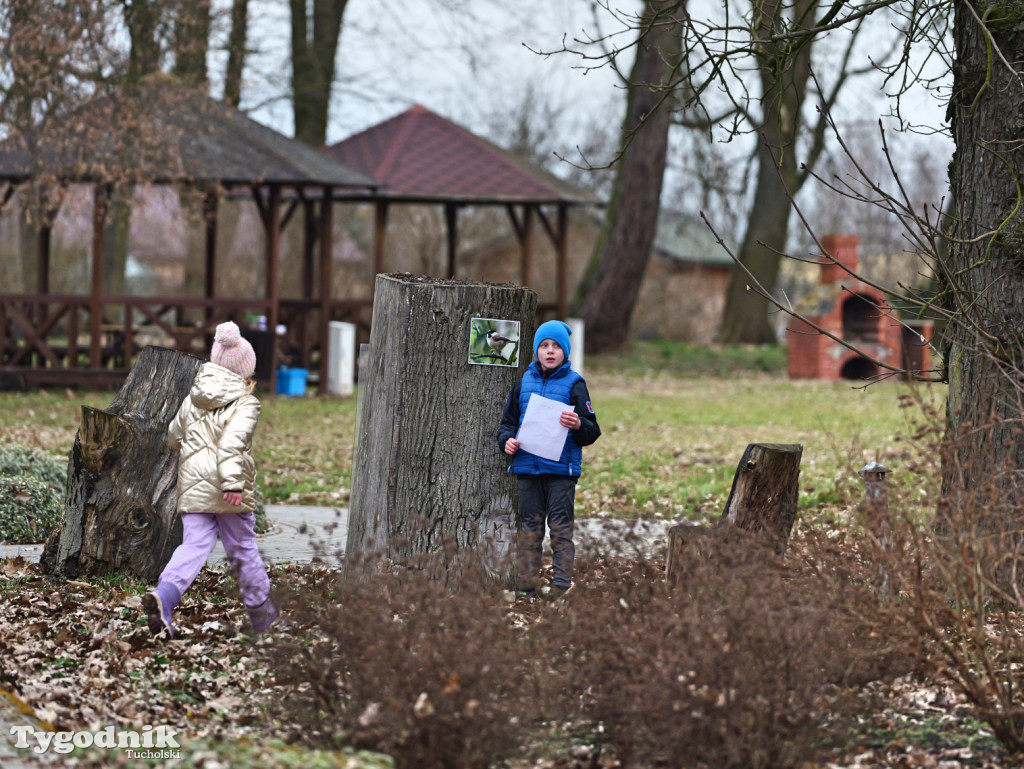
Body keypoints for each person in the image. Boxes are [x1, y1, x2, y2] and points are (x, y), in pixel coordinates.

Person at [142, 321, 279, 638]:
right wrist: (231, 483)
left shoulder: (194, 397)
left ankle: (165, 596)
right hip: (229, 490)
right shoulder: (246, 402)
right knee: (242, 548)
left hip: (193, 488)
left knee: (194, 544)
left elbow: (174, 436)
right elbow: (232, 443)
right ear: (246, 370)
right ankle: (261, 614)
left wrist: (191, 448)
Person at [497, 319, 601, 599]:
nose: (550, 351)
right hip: (527, 469)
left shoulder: (575, 384)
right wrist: (506, 441)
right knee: (530, 529)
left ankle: (561, 586)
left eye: (556, 346)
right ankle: (527, 586)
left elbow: (592, 431)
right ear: (536, 350)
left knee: (560, 529)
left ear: (565, 351)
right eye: (544, 345)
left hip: (561, 472)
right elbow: (507, 425)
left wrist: (578, 423)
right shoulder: (522, 385)